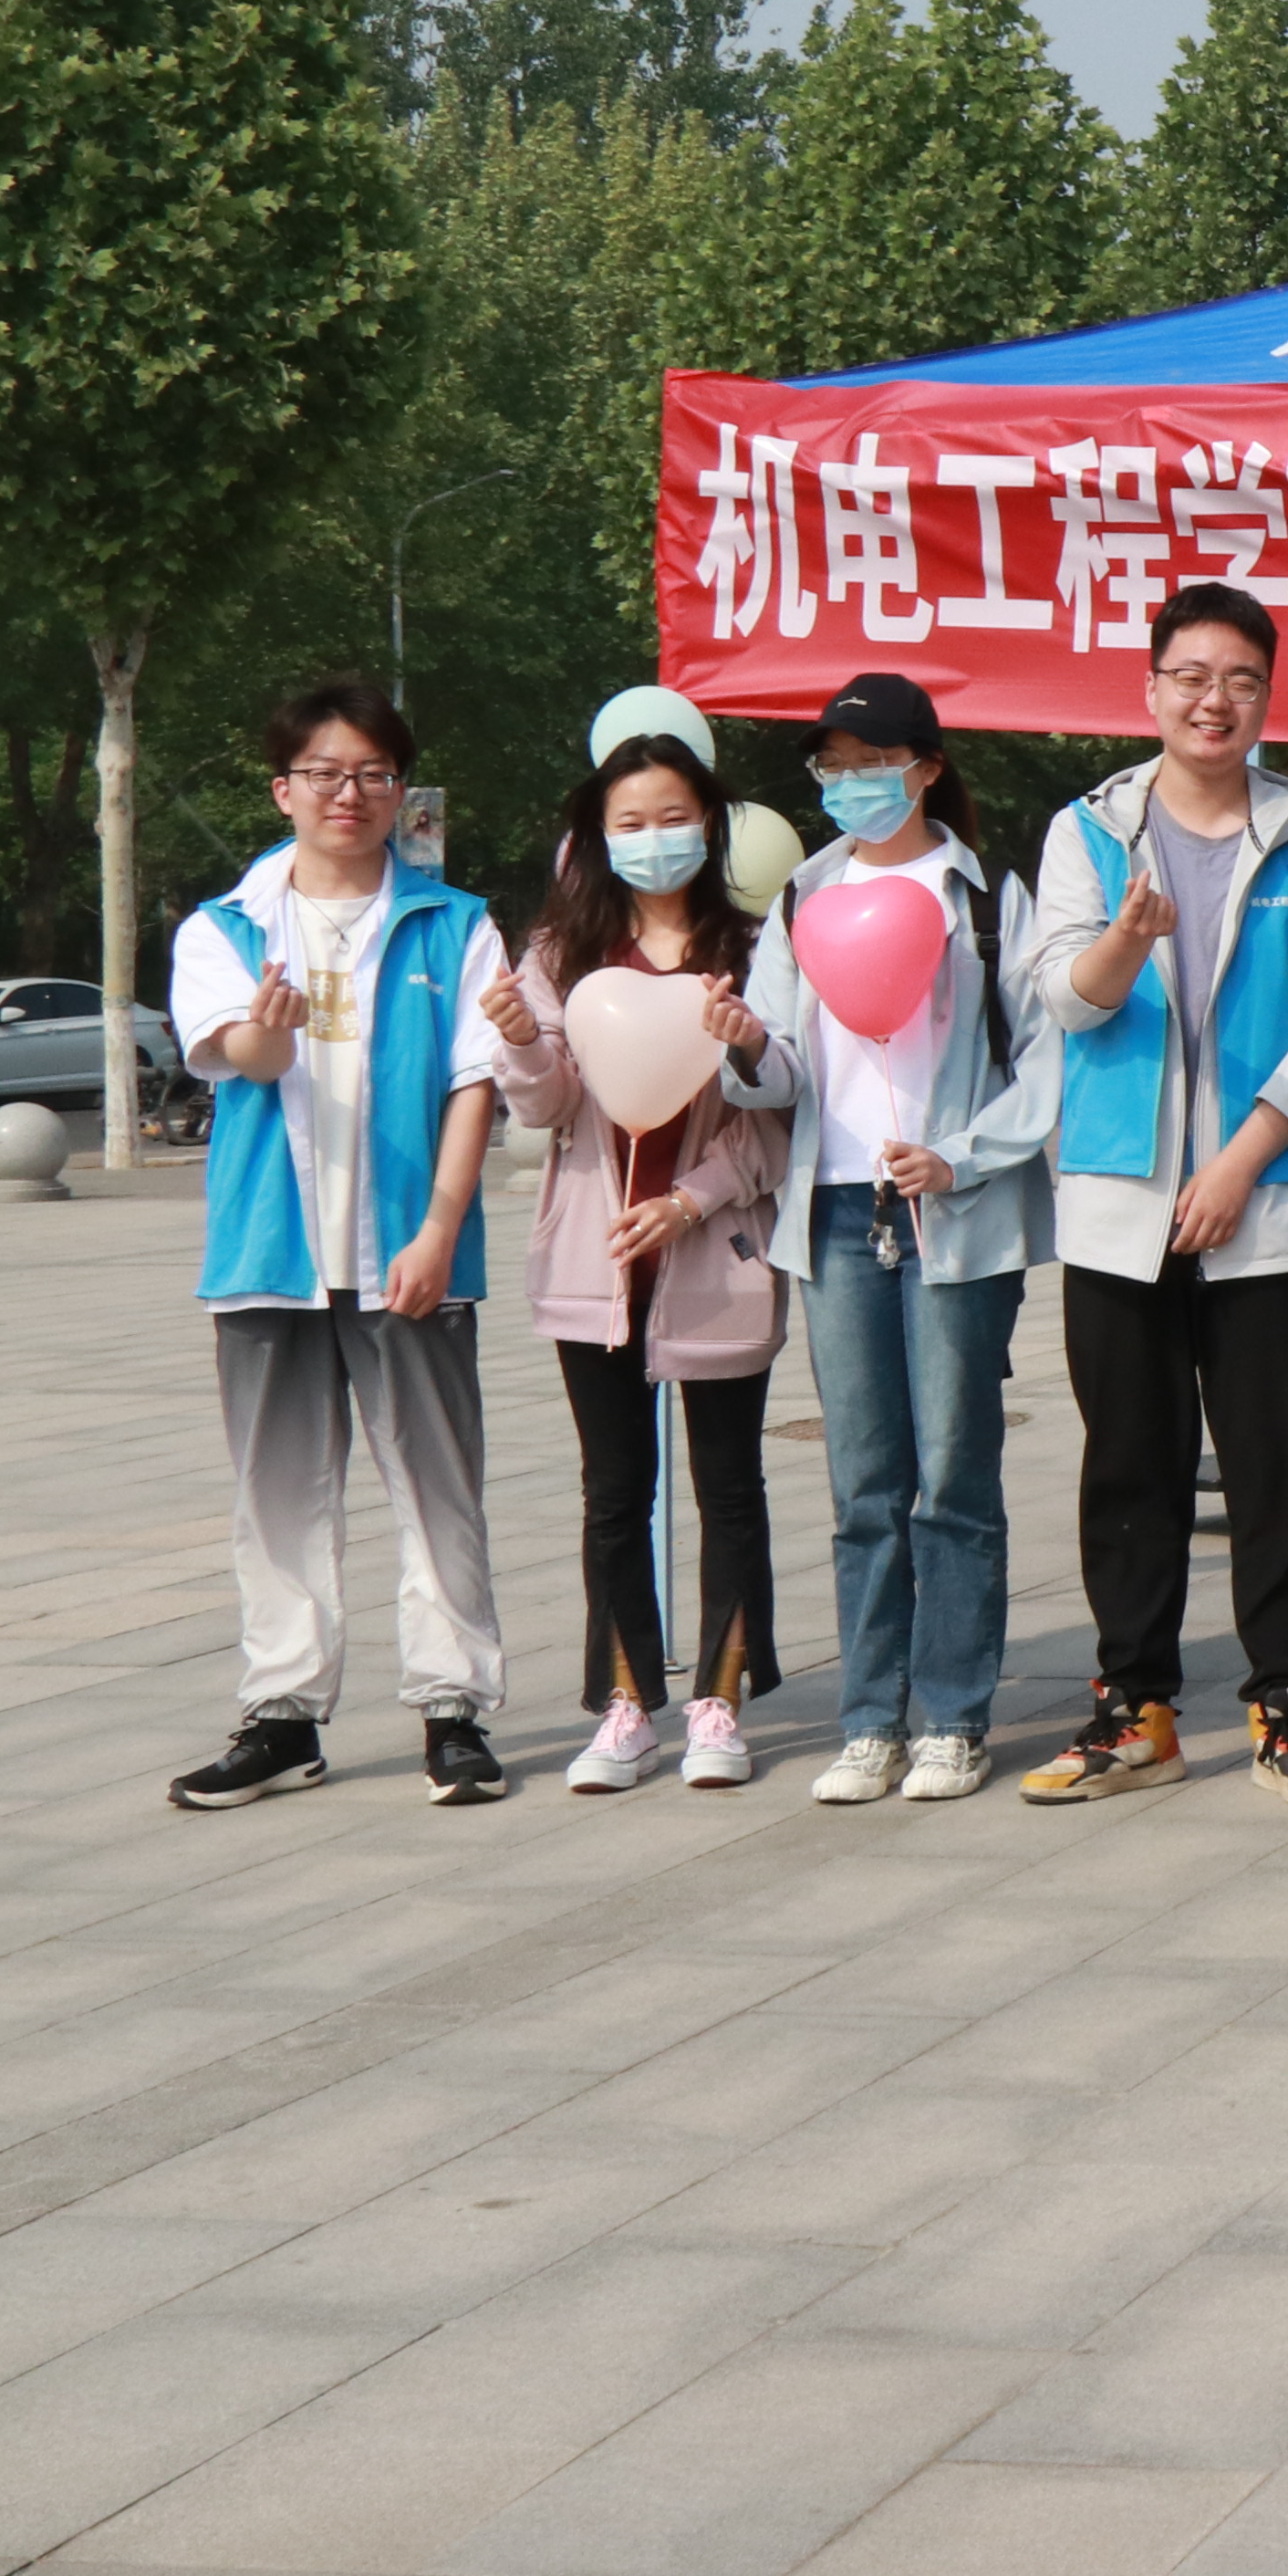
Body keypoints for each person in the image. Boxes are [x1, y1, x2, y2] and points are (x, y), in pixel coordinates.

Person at [1019, 581, 1288, 1808]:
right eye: (1191, 677)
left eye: (1240, 681)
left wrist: (1238, 1161)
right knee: (1131, 1469)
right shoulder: (1089, 832)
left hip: (1260, 1211)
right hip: (1120, 1213)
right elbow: (1065, 999)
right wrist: (1126, 938)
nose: (1214, 700)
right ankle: (1136, 1709)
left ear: (1266, 698)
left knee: (1277, 1469)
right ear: (1152, 688)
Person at [166, 681, 520, 1812]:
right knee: (278, 1492)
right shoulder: (225, 926)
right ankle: (283, 1716)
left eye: (372, 773)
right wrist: (267, 1033)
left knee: (439, 1485)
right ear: (285, 789)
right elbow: (244, 1060)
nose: (348, 793)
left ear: (402, 790)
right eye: (324, 772)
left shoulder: (456, 923)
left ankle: (454, 1712)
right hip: (270, 1252)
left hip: (411, 1253)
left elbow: (477, 1083)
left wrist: (440, 1229)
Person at [736, 671, 1054, 1806]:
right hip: (835, 1212)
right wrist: (742, 1046)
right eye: (832, 767)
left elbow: (1047, 1059)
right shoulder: (801, 896)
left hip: (955, 1214)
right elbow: (779, 1067)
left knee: (953, 1476)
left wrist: (960, 1155)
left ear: (925, 768)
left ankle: (953, 1717)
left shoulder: (988, 898)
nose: (850, 784)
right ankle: (870, 1717)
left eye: (872, 765)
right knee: (864, 1481)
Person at [481, 733, 789, 1795]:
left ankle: (720, 1699)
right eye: (631, 822)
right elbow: (543, 1106)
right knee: (613, 1490)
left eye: (673, 818)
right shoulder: (559, 952)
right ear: (598, 836)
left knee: (729, 1486)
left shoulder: (759, 948)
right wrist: (522, 1038)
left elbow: (779, 1119)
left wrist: (688, 1199)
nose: (654, 839)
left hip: (716, 1257)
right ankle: (625, 1704)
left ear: (709, 824)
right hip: (593, 1257)